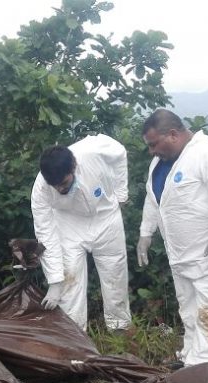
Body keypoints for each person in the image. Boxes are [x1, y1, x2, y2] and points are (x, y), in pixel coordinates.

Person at [136, 109, 208, 367]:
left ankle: (205, 373)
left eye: (154, 144)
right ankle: (190, 358)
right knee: (189, 310)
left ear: (173, 134)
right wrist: (146, 233)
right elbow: (154, 200)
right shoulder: (160, 163)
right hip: (182, 254)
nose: (151, 151)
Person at [31, 135, 132, 333]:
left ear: (74, 166)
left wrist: (121, 194)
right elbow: (45, 234)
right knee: (70, 282)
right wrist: (54, 281)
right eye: (55, 185)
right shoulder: (41, 190)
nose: (60, 189)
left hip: (106, 216)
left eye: (64, 182)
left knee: (115, 276)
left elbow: (120, 152)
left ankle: (120, 330)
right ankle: (75, 337)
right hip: (69, 223)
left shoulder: (93, 151)